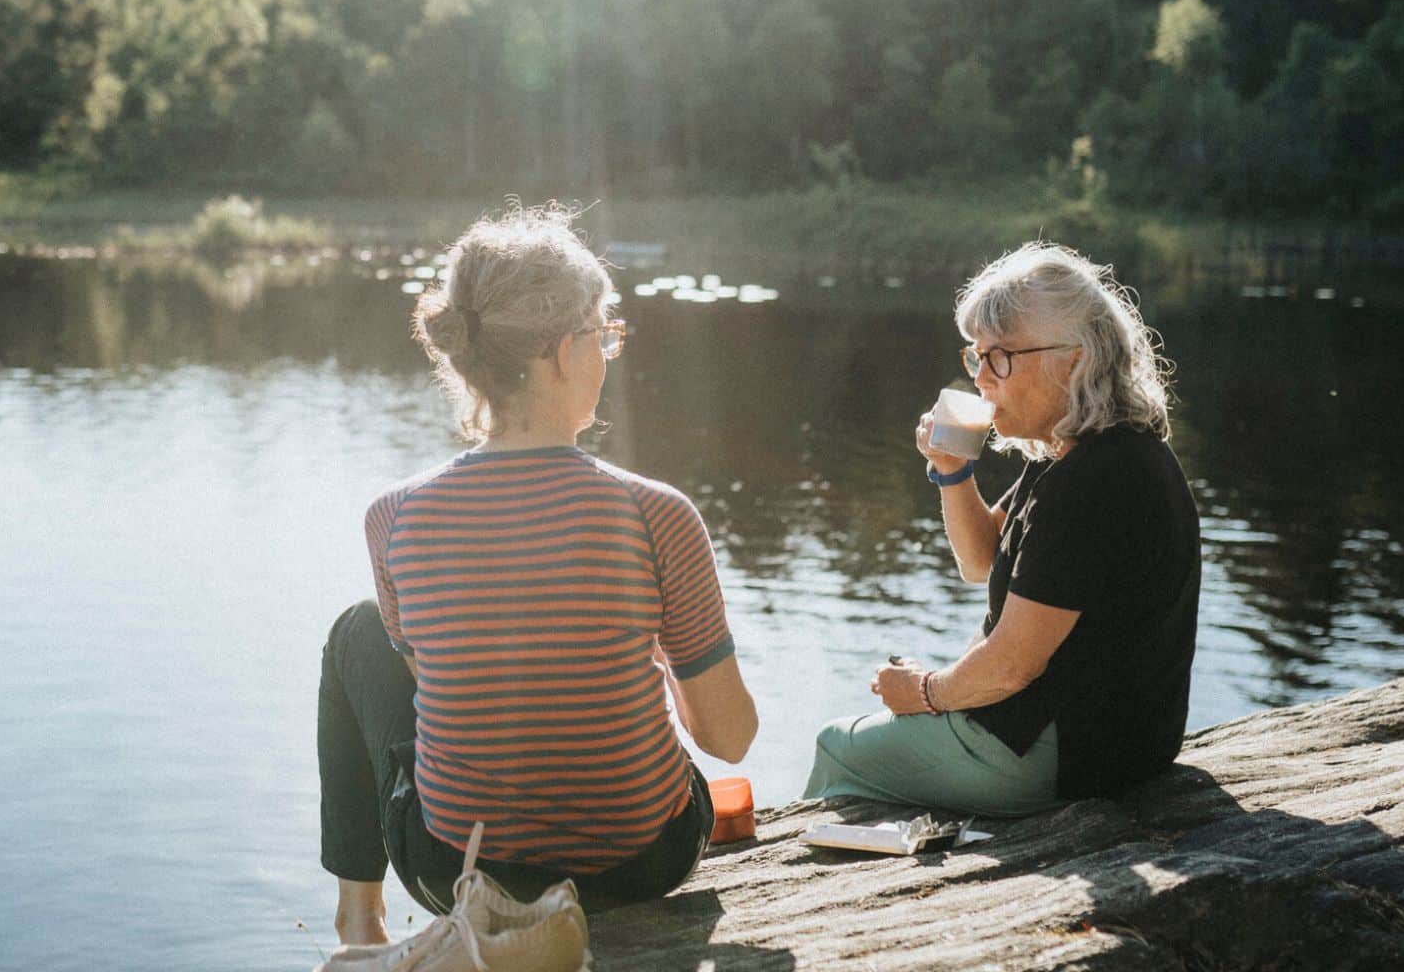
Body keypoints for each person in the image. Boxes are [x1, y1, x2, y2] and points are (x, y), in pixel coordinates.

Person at [318, 205, 759, 947]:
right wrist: (648, 650)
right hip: (643, 862)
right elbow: (730, 737)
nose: (608, 354)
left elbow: (440, 692)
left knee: (357, 631)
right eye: (603, 336)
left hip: (456, 870)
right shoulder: (657, 514)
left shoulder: (392, 517)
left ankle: (359, 923)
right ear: (560, 353)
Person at [804, 241, 1199, 813]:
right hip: (1122, 746)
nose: (983, 380)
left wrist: (923, 693)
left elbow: (1012, 666)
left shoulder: (1094, 480)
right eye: (978, 356)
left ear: (1075, 360)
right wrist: (952, 470)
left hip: (1064, 757)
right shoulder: (1078, 452)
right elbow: (981, 560)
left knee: (836, 748)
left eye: (1002, 358)